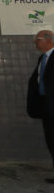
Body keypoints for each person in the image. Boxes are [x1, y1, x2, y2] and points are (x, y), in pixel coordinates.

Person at [28, 29, 54, 181]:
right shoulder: (42, 58)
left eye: (38, 39)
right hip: (46, 106)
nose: (35, 42)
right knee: (51, 139)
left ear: (48, 40)